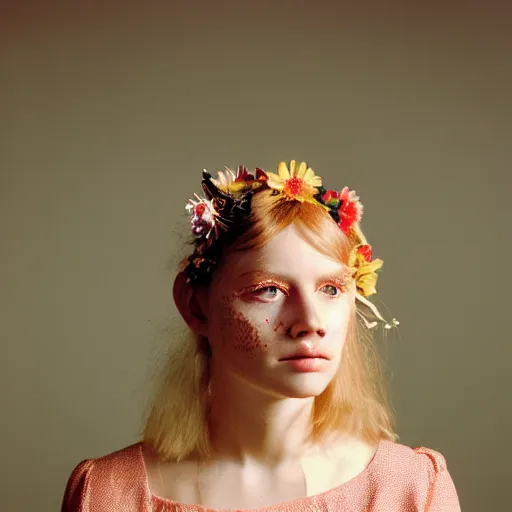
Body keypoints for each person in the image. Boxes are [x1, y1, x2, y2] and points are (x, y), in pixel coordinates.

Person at [61, 160, 460, 511]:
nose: (310, 320)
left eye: (331, 289)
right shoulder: (107, 494)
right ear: (196, 306)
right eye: (269, 289)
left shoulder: (411, 490)